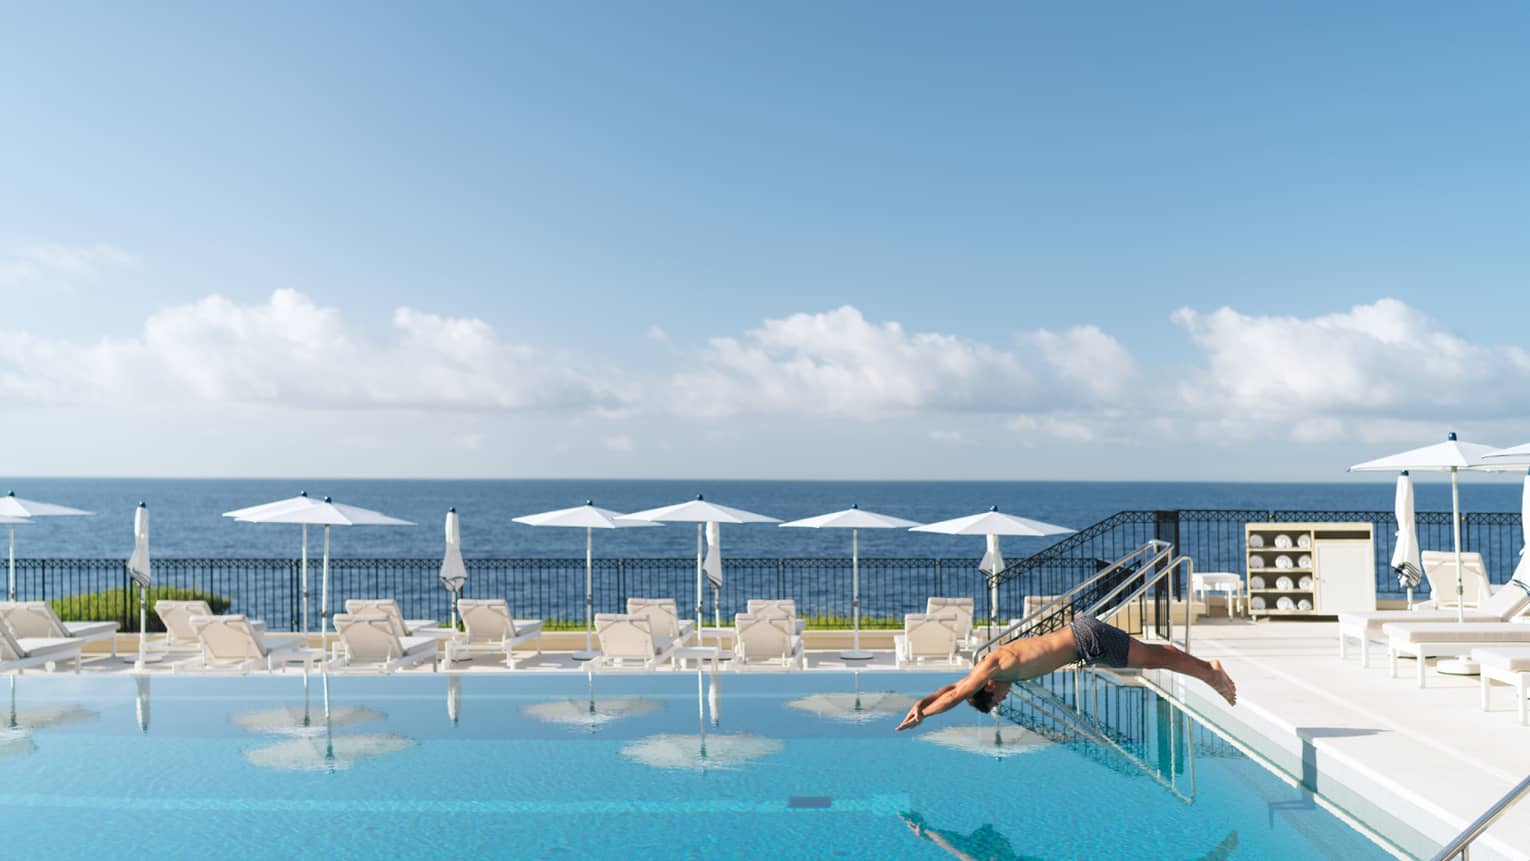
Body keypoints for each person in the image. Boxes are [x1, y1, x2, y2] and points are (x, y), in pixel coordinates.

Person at [895, 616, 1236, 732]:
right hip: (1082, 637)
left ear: (987, 687)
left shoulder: (993, 667)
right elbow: (953, 686)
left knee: (1151, 658)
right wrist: (920, 701)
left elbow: (956, 694)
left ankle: (1210, 672)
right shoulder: (991, 668)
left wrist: (923, 715)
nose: (1005, 696)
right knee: (1153, 656)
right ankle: (1206, 670)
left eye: (998, 697)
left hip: (1085, 641)